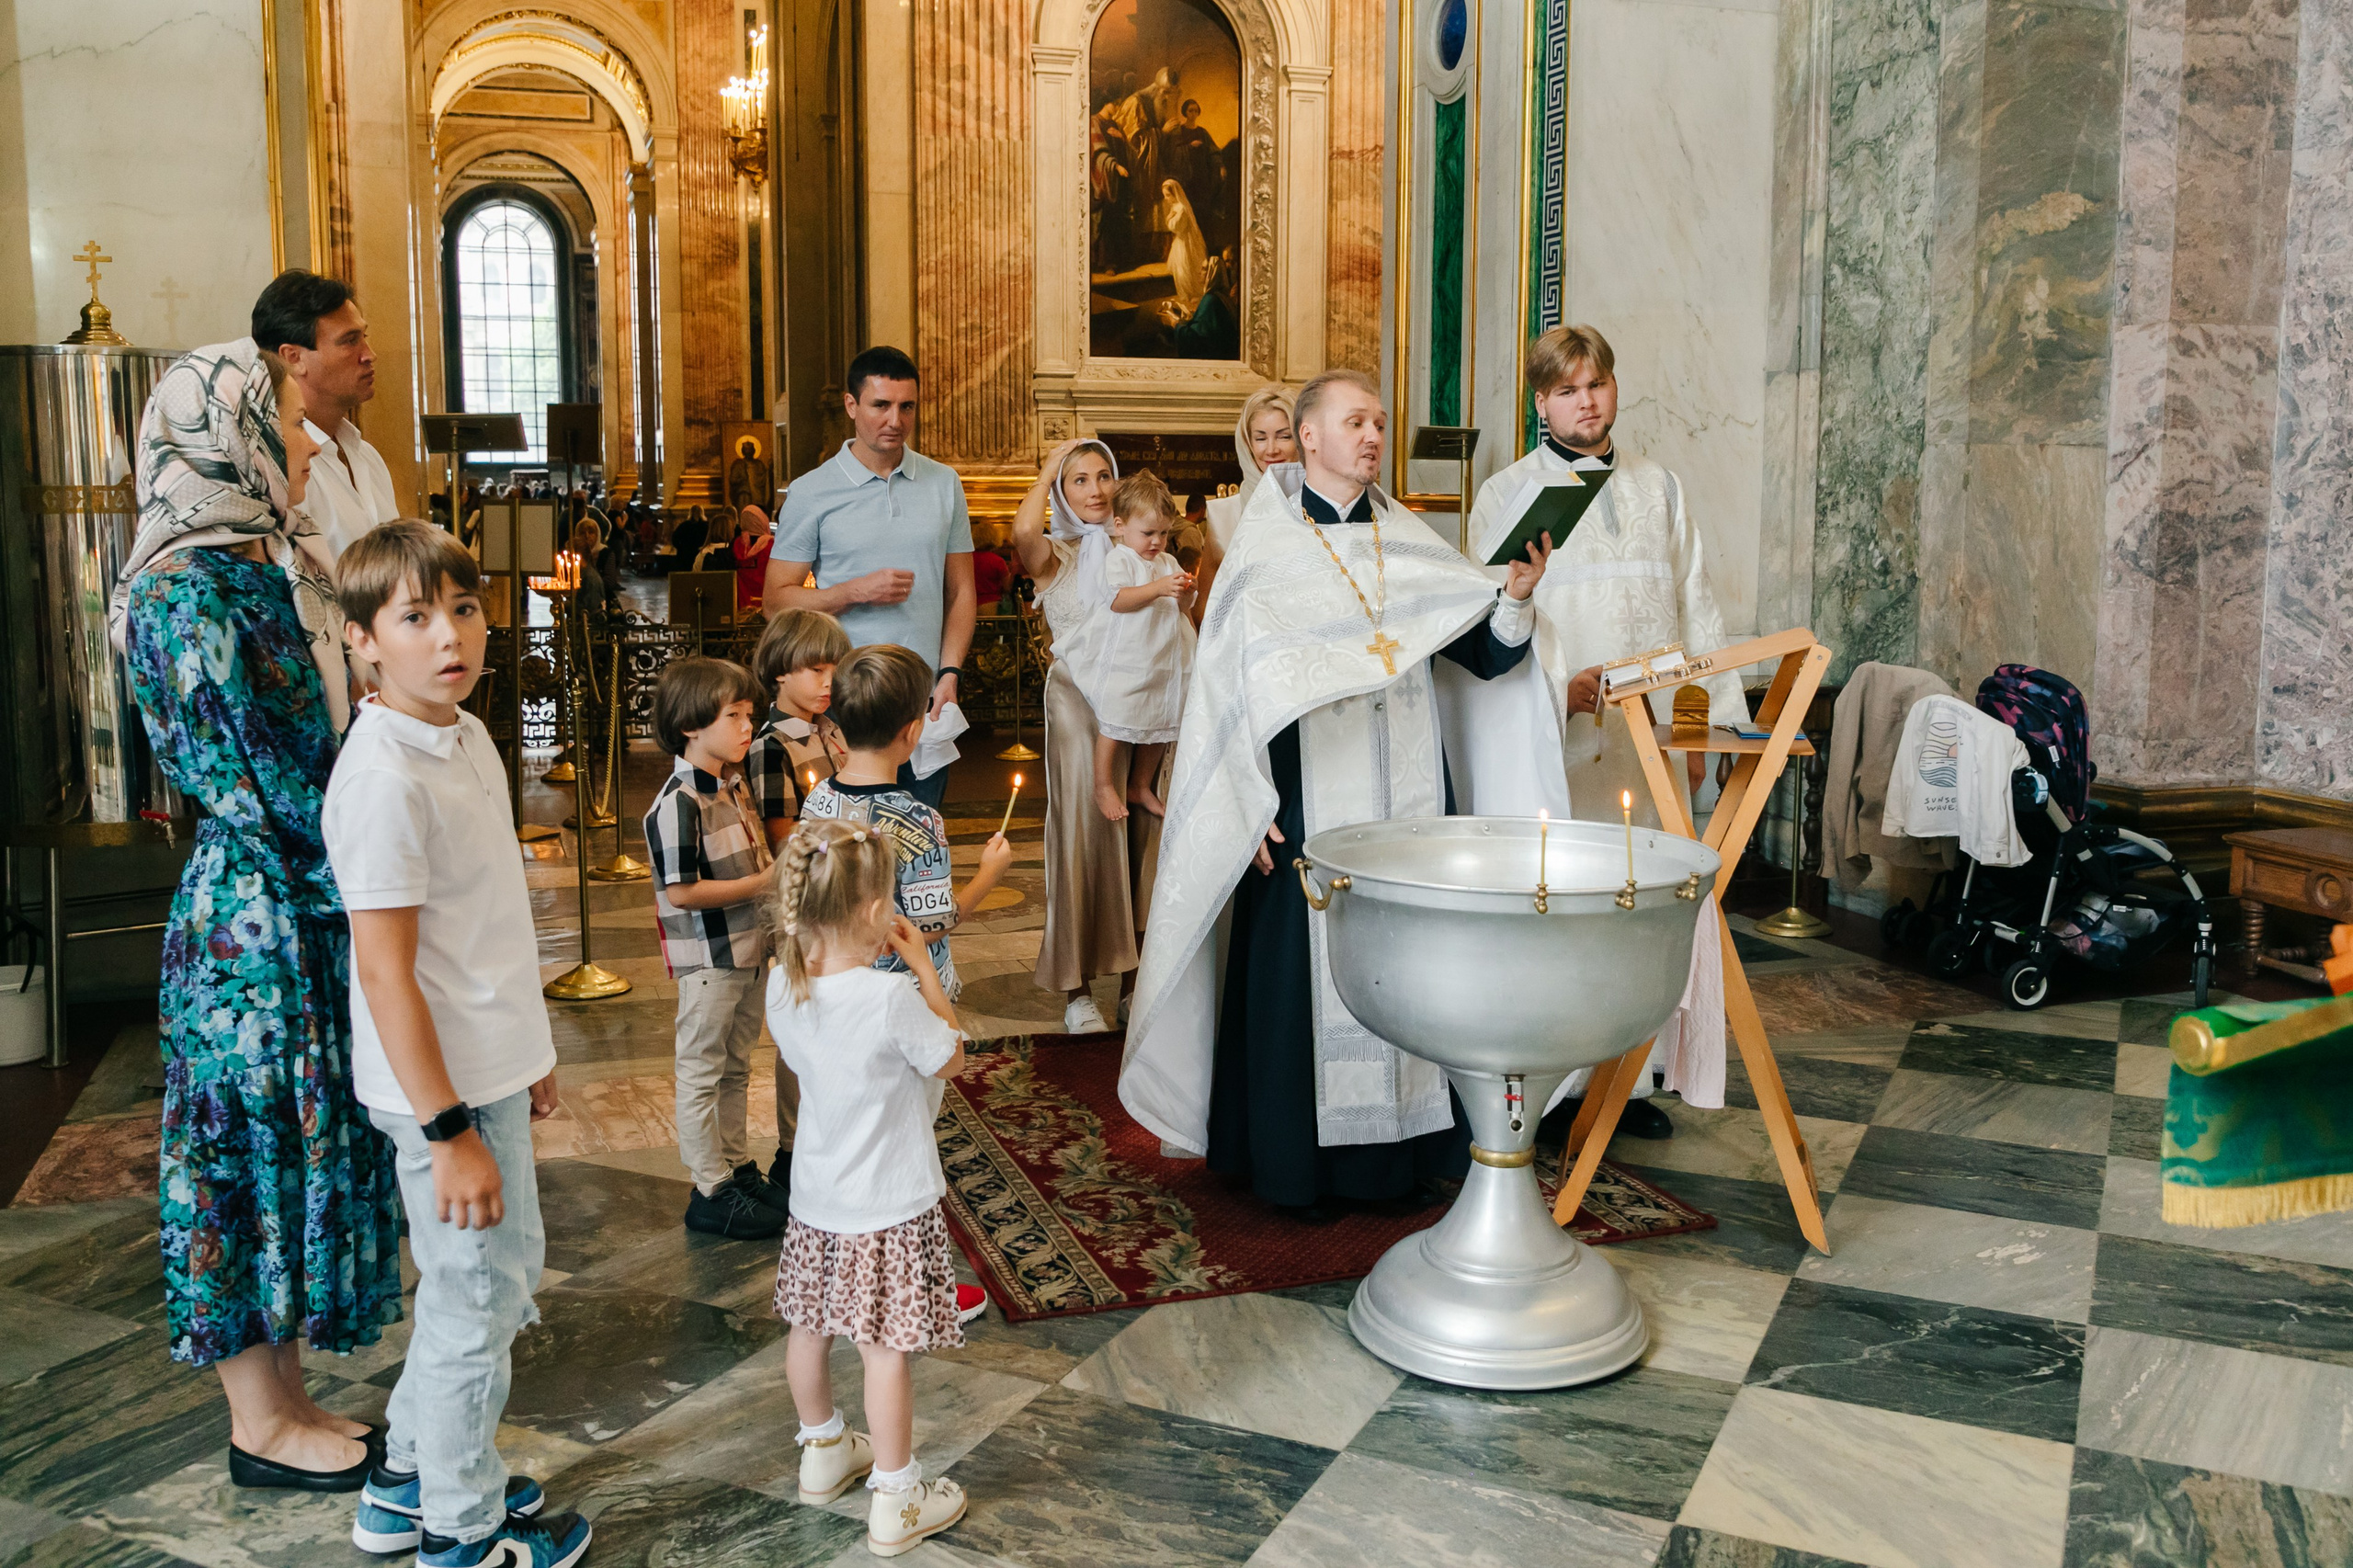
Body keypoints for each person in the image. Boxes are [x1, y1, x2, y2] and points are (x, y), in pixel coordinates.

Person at [1118, 369, 1552, 1220]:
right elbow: (1224, 698)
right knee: (1297, 984)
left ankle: (1402, 1160)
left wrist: (1514, 598)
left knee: (1409, 970)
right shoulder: (1264, 552)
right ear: (1308, 436)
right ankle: (1294, 1169)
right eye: (1355, 422)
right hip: (1305, 806)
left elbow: (1484, 655)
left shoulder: (1412, 541)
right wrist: (1244, 805)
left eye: (1379, 422)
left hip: (1408, 807)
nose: (1373, 436)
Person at [114, 341, 400, 1489]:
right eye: (283, 426)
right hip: (255, 915)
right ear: (224, 440)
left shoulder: (260, 566)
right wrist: (364, 854)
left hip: (294, 890)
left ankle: (287, 1394)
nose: (304, 446)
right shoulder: (186, 591)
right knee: (244, 1154)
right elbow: (265, 777)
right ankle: (256, 1422)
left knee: (290, 1143)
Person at [324, 524, 592, 1568]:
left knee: (496, 1282)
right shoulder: (382, 777)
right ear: (361, 640)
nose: (450, 637)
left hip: (487, 1067)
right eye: (415, 617)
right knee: (476, 1302)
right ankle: (462, 1527)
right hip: (440, 1095)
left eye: (465, 610)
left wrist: (528, 1049)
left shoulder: (466, 732)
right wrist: (448, 1131)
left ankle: (406, 1479)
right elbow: (387, 973)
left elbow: (488, 922)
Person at [1449, 324, 1750, 1136]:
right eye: (1568, 390)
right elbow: (1490, 624)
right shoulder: (1507, 493)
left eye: (1597, 384)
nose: (1586, 402)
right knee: (1565, 914)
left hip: (1651, 750)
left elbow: (1696, 609)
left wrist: (1698, 731)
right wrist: (1559, 694)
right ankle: (1551, 1088)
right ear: (1540, 404)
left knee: (1639, 915)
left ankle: (1628, 1085)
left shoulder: (1661, 487)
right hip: (1561, 746)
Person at [767, 818, 972, 1556]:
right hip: (886, 1203)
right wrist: (923, 971)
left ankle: (823, 1451)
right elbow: (950, 1059)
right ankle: (895, 1495)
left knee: (810, 1327)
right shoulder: (889, 999)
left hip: (818, 1199)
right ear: (874, 912)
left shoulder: (782, 984)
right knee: (884, 1350)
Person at [765, 347, 978, 812]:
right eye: (881, 405)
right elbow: (775, 601)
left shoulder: (944, 483)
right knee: (852, 839)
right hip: (843, 699)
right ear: (851, 405)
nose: (895, 420)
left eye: (907, 406)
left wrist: (950, 674)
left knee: (919, 833)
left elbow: (962, 591)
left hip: (923, 700)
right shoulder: (810, 491)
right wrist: (854, 592)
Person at [1007, 438, 1154, 1033]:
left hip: (1139, 703)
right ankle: (1077, 991)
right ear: (1061, 493)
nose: (1095, 490)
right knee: (1082, 838)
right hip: (1077, 709)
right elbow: (1022, 530)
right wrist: (1051, 465)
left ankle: (1134, 987)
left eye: (1103, 476)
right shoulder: (1055, 556)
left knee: (1142, 839)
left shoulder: (1136, 546)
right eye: (1080, 480)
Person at [643, 657, 792, 1239]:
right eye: (733, 715)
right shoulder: (677, 802)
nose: (747, 726)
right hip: (710, 960)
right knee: (702, 1070)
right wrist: (764, 882)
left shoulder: (733, 785)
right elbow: (681, 892)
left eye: (749, 714)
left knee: (736, 1065)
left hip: (750, 951)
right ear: (690, 724)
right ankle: (708, 1186)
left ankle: (735, 1167)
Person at [796, 645, 1014, 1006]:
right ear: (914, 731)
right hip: (904, 998)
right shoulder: (919, 821)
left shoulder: (817, 798)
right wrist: (989, 874)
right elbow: (930, 927)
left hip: (834, 983)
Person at [1055, 471, 1196, 823]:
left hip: (1164, 658)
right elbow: (1118, 600)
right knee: (1116, 718)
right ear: (1120, 526)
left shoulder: (1167, 562)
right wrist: (1159, 588)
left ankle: (1140, 785)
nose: (1157, 541)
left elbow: (1182, 607)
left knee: (1163, 720)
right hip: (1129, 658)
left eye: (1164, 533)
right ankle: (1103, 784)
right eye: (1148, 533)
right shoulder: (1119, 559)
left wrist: (1186, 592)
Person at [253, 270, 398, 561]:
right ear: (293, 358)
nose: (369, 355)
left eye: (364, 337)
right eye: (350, 341)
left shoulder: (368, 456)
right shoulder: (278, 468)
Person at [733, 504, 774, 614]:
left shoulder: (737, 545)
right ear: (762, 520)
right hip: (768, 604)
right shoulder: (770, 545)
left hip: (741, 605)